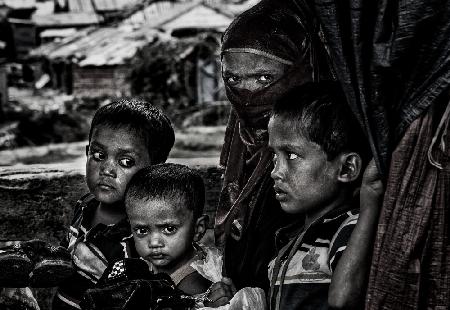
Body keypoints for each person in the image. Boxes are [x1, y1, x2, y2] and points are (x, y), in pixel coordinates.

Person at [216, 0, 332, 292]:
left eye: (264, 77)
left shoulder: (326, 152)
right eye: (233, 79)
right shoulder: (244, 151)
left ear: (302, 70)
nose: (247, 94)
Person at [267, 83, 383, 309]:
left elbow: (343, 299)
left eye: (291, 155)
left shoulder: (349, 228)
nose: (275, 172)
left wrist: (370, 203)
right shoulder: (293, 235)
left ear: (347, 169)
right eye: (274, 155)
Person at [52, 99, 175, 310]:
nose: (107, 169)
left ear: (154, 170)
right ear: (87, 152)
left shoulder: (145, 234)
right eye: (98, 155)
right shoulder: (85, 206)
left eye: (126, 162)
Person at [124, 163, 236, 306]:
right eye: (142, 231)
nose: (154, 243)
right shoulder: (147, 263)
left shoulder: (193, 285)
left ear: (198, 229)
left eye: (169, 229)